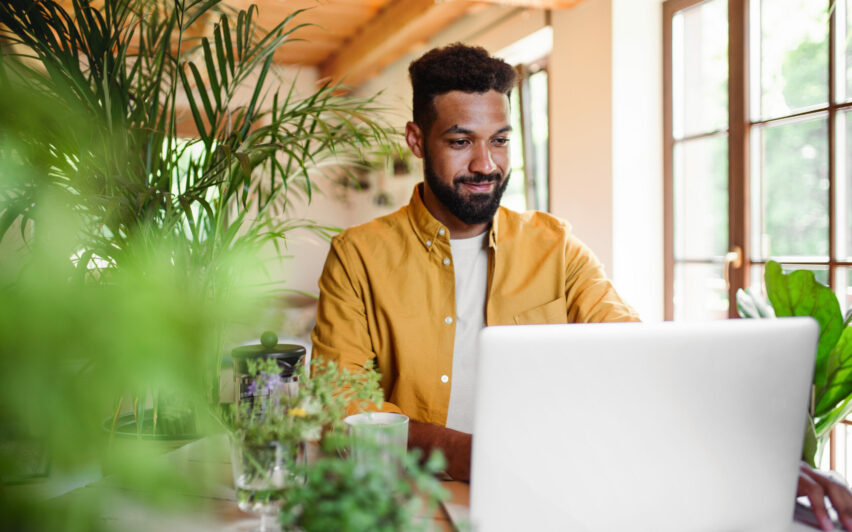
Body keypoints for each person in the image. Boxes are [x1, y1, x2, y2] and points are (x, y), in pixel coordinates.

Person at [311, 43, 852, 531]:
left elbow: (638, 362)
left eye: (500, 141)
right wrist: (486, 456)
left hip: (555, 502)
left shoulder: (555, 245)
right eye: (461, 142)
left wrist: (761, 463)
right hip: (414, 507)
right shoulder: (358, 256)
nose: (486, 164)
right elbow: (344, 413)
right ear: (416, 139)